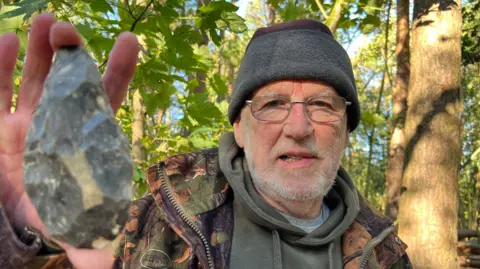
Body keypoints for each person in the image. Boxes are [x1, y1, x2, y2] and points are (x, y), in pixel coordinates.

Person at [0, 14, 411, 269]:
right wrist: (21, 237)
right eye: (272, 103)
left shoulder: (386, 252)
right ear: (239, 129)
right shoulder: (147, 225)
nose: (299, 127)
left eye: (322, 104)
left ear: (345, 127)